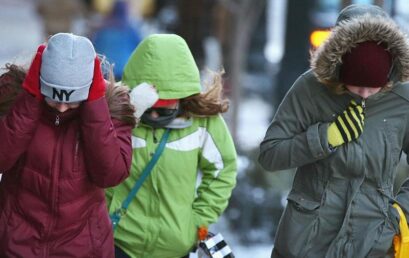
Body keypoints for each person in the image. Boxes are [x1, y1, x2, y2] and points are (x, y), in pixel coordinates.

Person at [258, 4, 409, 258]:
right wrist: (325, 138)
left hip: (371, 242)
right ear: (339, 68)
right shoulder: (310, 87)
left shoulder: (402, 100)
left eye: (373, 88)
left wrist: (398, 214)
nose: (363, 94)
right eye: (356, 85)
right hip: (304, 242)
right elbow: (270, 154)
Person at [0, 33, 136, 257]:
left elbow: (111, 175)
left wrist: (94, 107)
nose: (62, 108)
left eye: (72, 101)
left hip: (83, 247)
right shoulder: (15, 96)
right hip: (17, 243)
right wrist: (30, 98)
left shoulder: (111, 107)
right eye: (53, 98)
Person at [105, 34, 237, 258]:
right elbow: (94, 162)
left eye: (164, 110)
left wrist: (197, 224)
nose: (155, 115)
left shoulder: (204, 124)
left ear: (182, 98)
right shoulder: (115, 118)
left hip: (176, 249)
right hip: (118, 244)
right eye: (149, 108)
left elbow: (223, 170)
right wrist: (127, 117)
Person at [92, 0, 142, 80]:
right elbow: (139, 47)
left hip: (105, 70)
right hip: (124, 69)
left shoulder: (102, 28)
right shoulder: (130, 29)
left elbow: (94, 47)